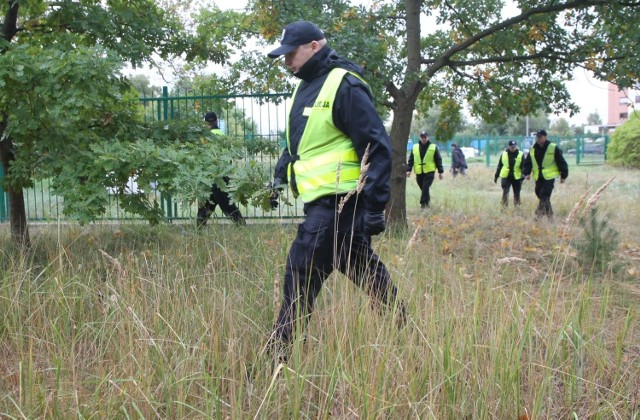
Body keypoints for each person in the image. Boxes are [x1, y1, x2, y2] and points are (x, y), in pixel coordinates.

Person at [266, 20, 406, 361]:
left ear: (315, 46)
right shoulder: (306, 87)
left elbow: (377, 147)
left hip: (339, 204)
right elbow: (302, 142)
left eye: (291, 54)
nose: (287, 62)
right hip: (324, 203)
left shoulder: (343, 84)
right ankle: (404, 330)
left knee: (300, 274)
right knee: (363, 268)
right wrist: (280, 174)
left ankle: (276, 359)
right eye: (283, 56)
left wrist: (374, 207)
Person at [196, 112, 246, 227]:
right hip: (221, 176)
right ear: (216, 121)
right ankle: (242, 226)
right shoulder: (223, 136)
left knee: (207, 206)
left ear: (205, 123)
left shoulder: (203, 139)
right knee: (220, 205)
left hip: (206, 176)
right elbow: (228, 159)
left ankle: (198, 230)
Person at [523, 129, 569, 219]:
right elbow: (528, 162)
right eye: (537, 136)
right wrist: (526, 173)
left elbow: (561, 162)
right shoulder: (533, 149)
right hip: (538, 176)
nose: (538, 138)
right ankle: (550, 216)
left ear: (545, 137)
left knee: (544, 195)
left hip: (549, 177)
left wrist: (563, 175)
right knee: (539, 194)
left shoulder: (553, 147)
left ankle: (538, 217)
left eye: (540, 136)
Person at [406, 131, 444, 209]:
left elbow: (438, 159)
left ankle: (423, 204)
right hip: (419, 171)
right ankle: (427, 202)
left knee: (425, 187)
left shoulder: (433, 147)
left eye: (425, 137)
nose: (423, 139)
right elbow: (411, 159)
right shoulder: (415, 147)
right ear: (420, 138)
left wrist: (440, 172)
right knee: (423, 188)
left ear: (428, 137)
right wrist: (408, 170)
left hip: (429, 171)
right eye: (422, 137)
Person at [494, 140, 524, 207]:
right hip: (506, 176)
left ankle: (517, 207)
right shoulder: (504, 154)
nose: (513, 148)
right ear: (508, 146)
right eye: (511, 147)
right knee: (505, 192)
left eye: (514, 147)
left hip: (517, 177)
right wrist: (496, 176)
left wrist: (523, 174)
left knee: (517, 193)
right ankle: (504, 207)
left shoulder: (520, 154)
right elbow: (500, 165)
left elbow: (523, 166)